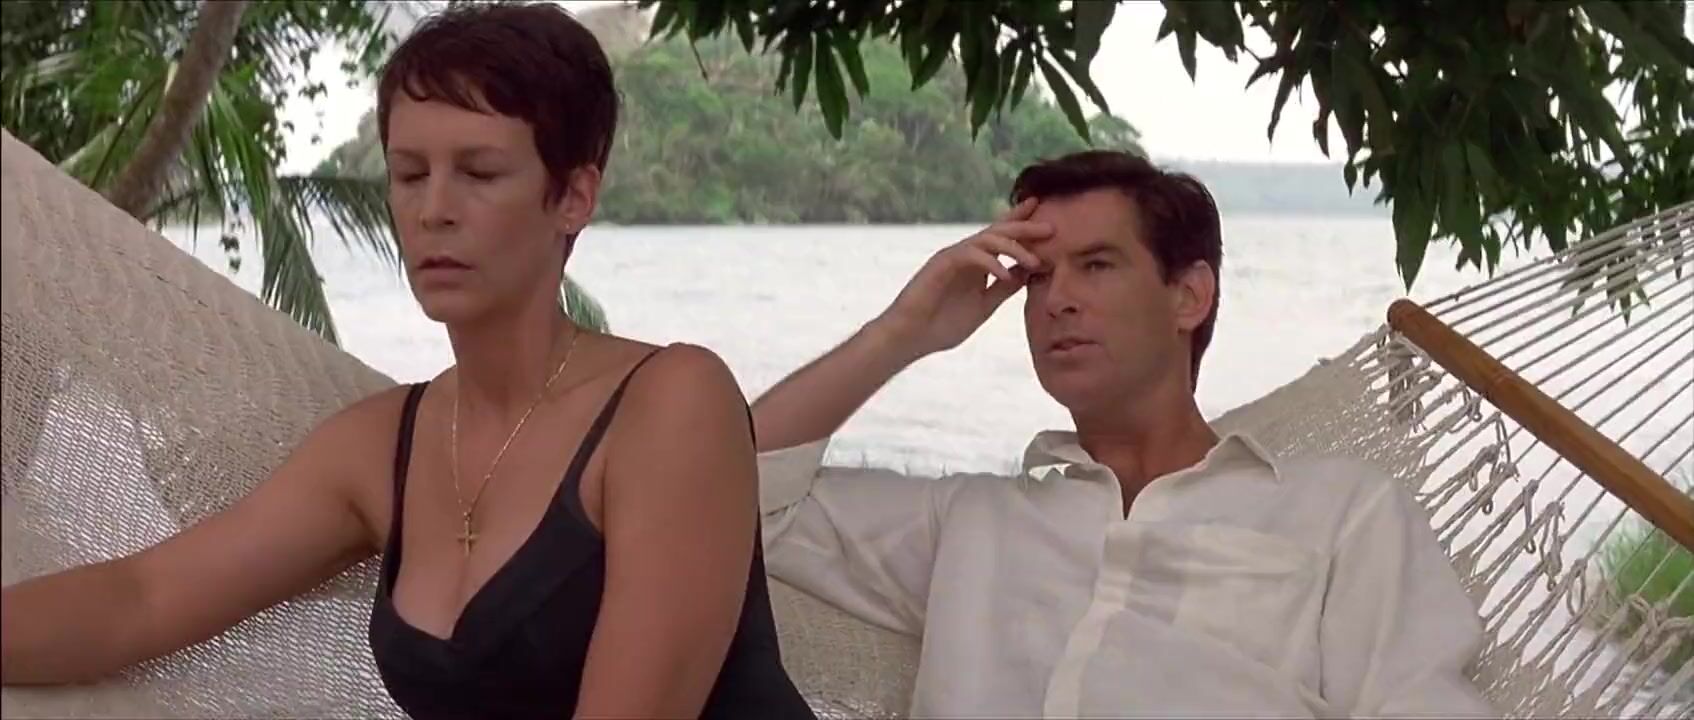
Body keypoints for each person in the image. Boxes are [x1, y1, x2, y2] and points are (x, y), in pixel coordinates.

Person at [1, 4, 814, 718]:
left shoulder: (669, 404)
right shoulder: (380, 446)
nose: (433, 211)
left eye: (479, 173)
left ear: (573, 195)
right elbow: (140, 600)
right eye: (409, 175)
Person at [752, 150, 1496, 718]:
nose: (1057, 300)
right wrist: (902, 333)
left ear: (1188, 297)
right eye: (1036, 277)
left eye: (1096, 265)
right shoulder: (970, 523)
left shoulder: (1341, 514)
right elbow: (731, 498)